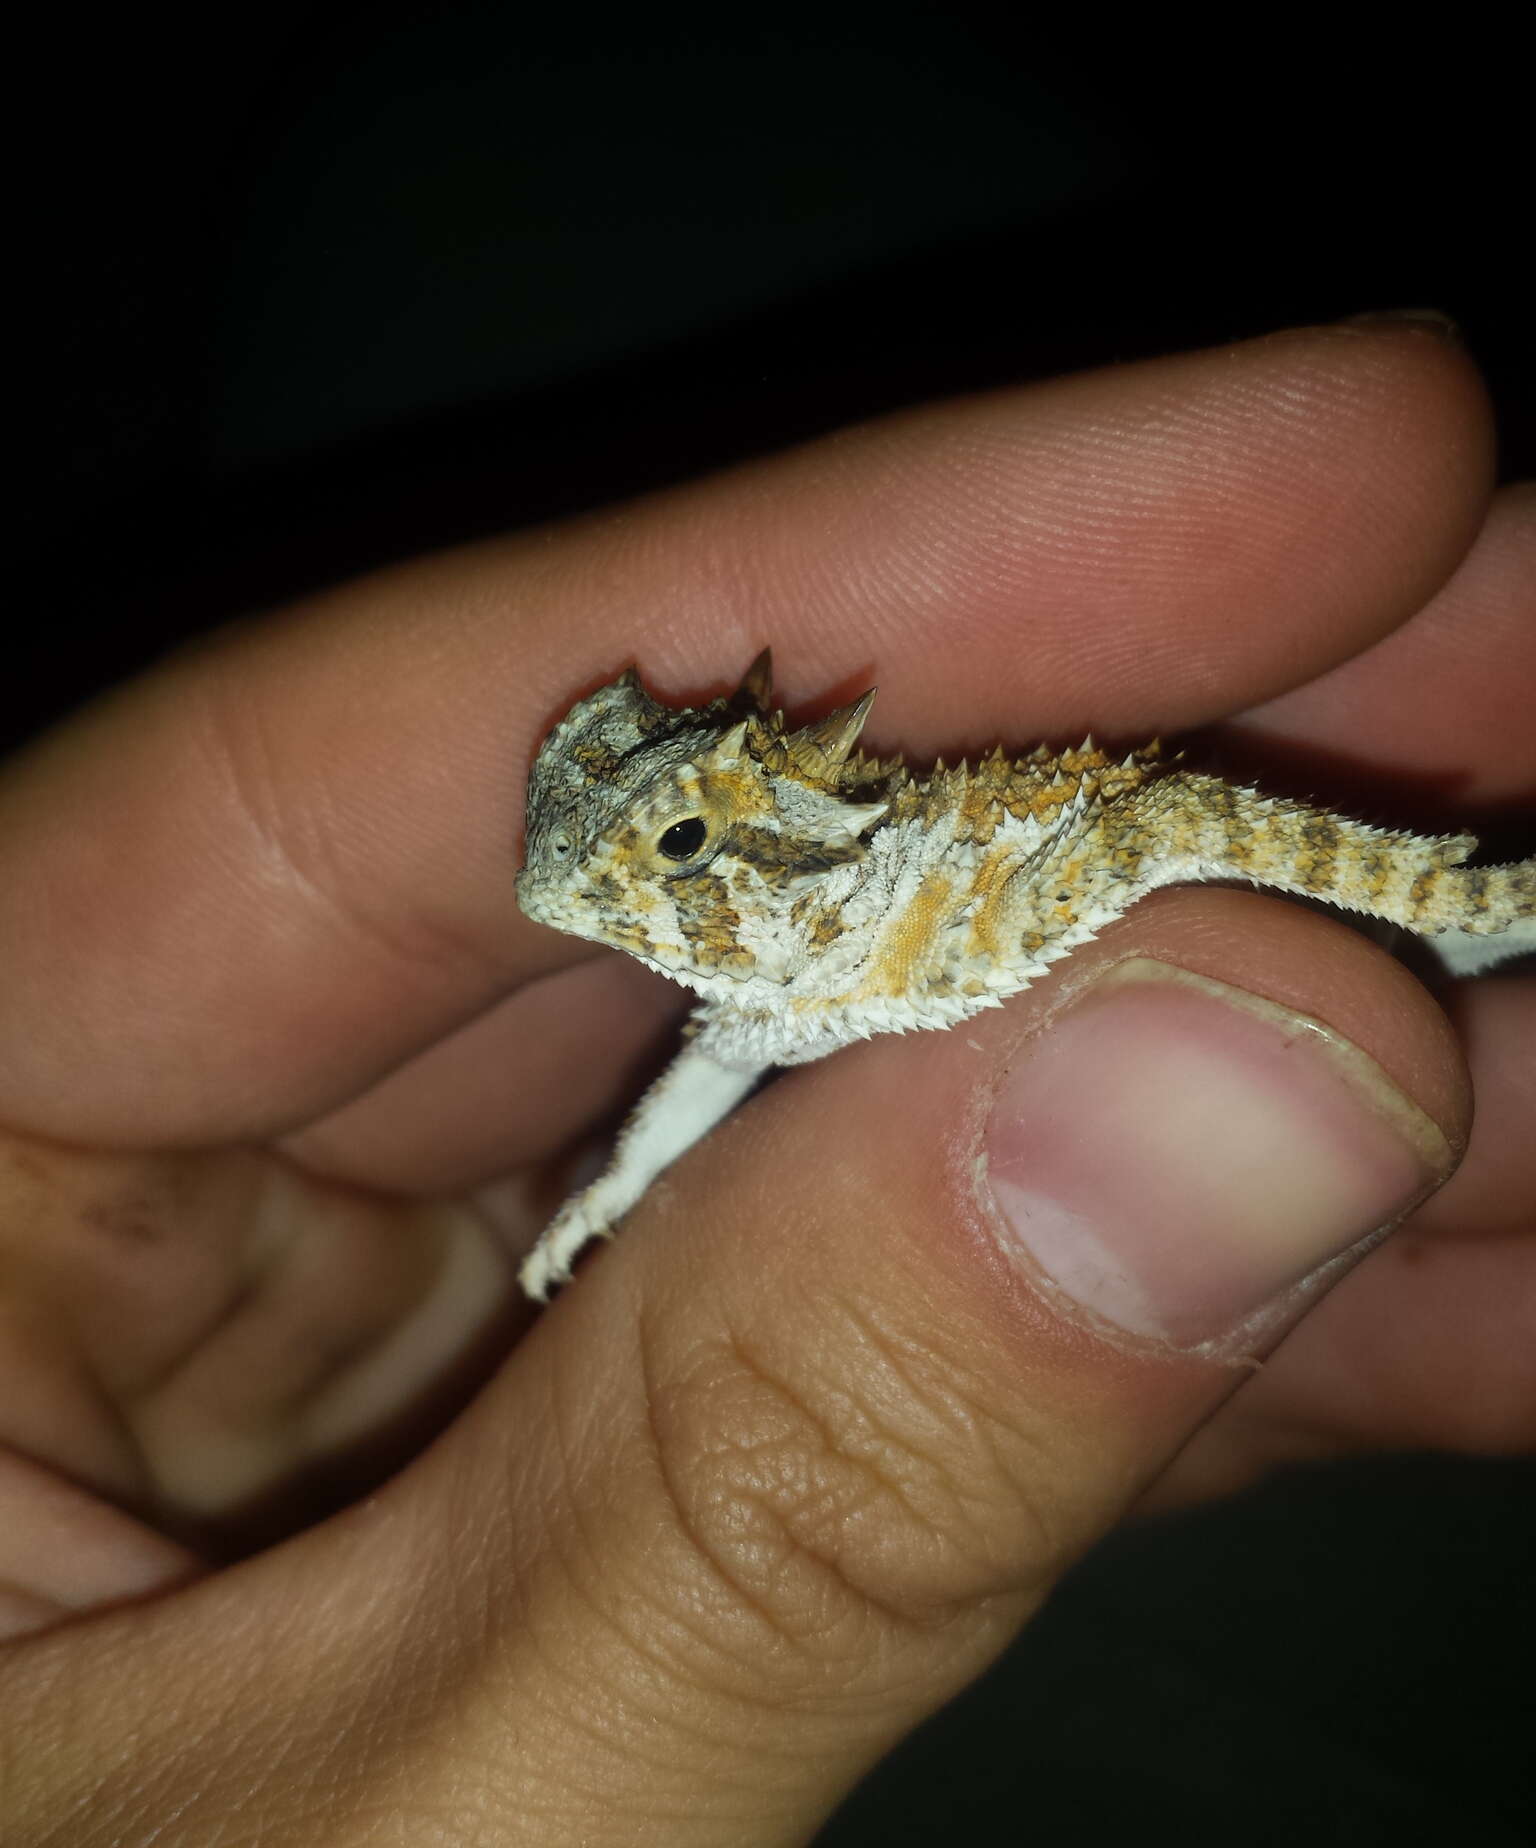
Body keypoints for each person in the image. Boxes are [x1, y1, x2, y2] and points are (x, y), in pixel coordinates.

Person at [1, 318, 1530, 1845]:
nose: (575, 887)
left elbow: (1153, 818)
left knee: (1439, 913)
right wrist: (614, 1188)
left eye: (670, 851)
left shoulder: (923, 894)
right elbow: (716, 1056)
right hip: (1224, 1000)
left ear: (754, 849)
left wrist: (1418, 894)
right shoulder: (766, 989)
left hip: (1199, 904)